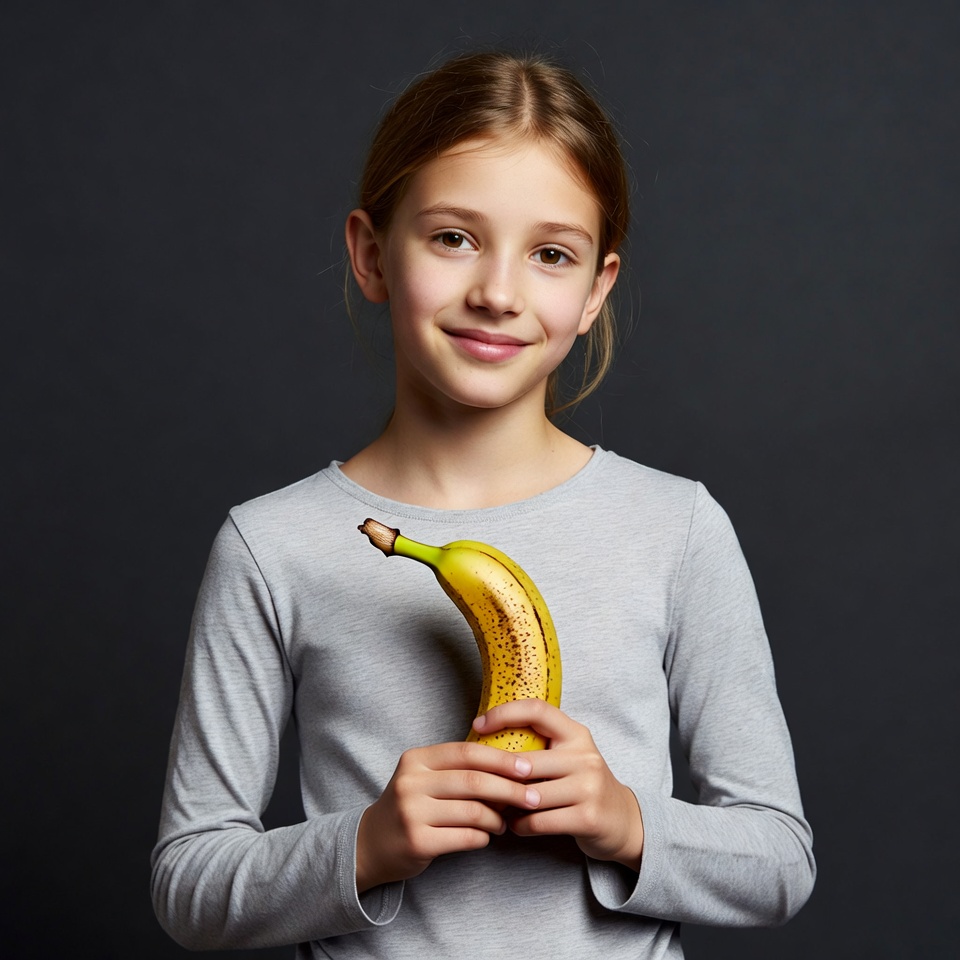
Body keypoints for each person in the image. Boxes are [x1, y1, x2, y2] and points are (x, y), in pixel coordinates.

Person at [151, 50, 815, 958]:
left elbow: (780, 858)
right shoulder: (273, 547)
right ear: (370, 253)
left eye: (550, 254)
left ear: (595, 292)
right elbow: (188, 883)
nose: (498, 292)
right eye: (453, 237)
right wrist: (370, 843)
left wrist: (625, 823)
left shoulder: (678, 529)